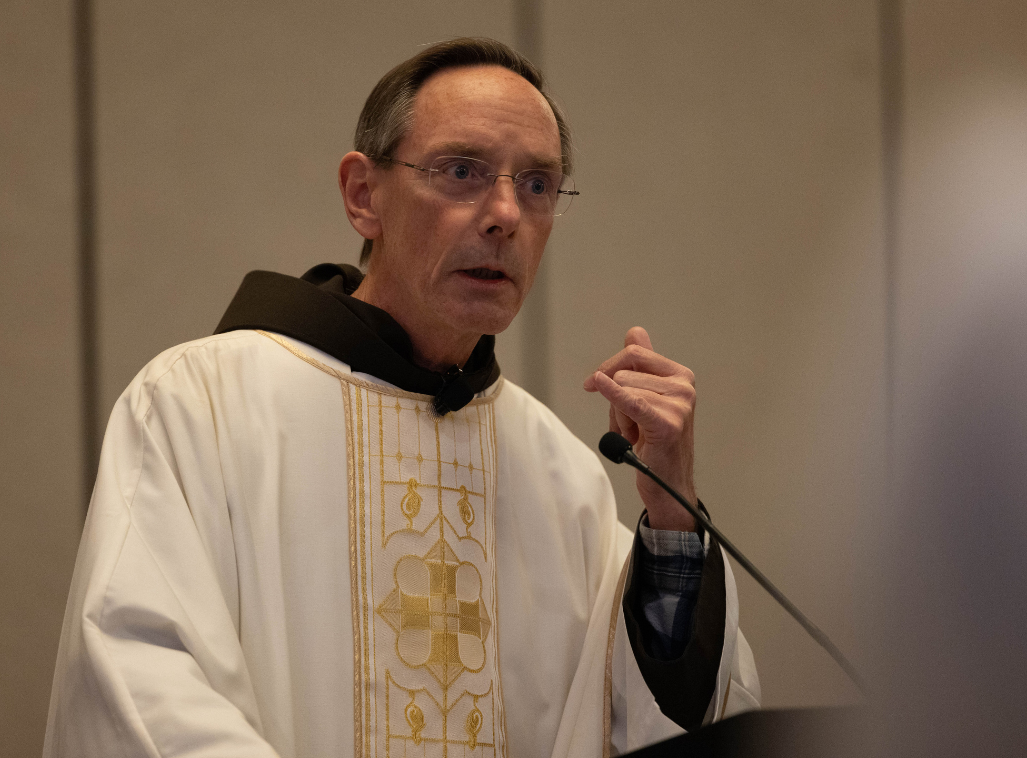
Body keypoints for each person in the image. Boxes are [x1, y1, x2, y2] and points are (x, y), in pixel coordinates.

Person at [44, 37, 759, 758]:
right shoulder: (199, 404)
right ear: (363, 196)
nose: (505, 213)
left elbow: (645, 718)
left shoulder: (559, 474)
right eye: (461, 171)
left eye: (538, 184)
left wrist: (670, 517)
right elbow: (138, 678)